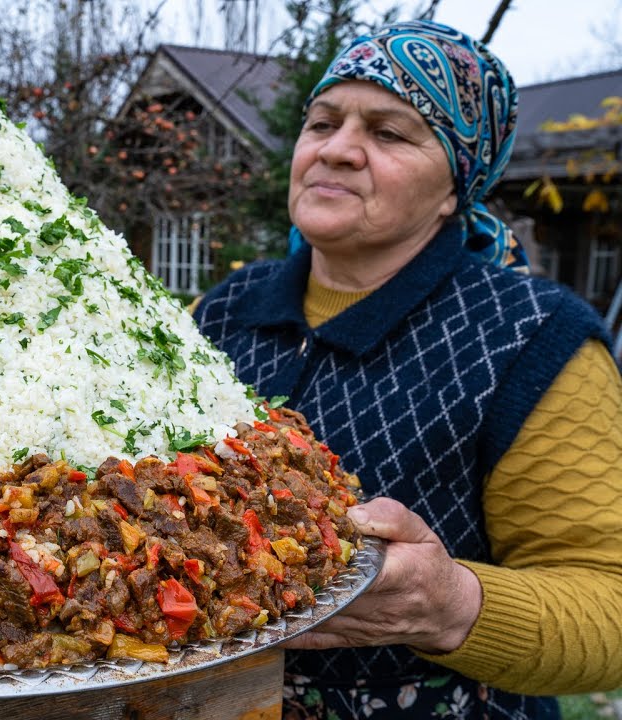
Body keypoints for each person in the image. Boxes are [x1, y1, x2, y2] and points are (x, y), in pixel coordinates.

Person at [193, 20, 622, 719]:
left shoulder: (531, 339)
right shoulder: (225, 310)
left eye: (389, 133)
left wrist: (452, 605)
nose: (337, 149)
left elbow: (610, 604)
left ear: (456, 187)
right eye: (323, 122)